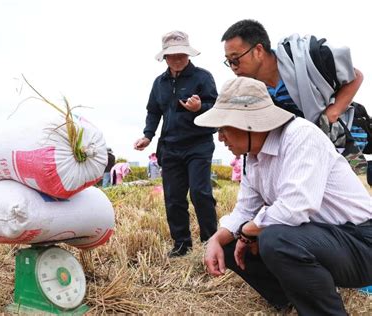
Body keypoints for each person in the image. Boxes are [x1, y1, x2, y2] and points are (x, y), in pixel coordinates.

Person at [194, 77, 371, 315]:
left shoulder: (301, 136)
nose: (220, 138)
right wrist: (216, 239)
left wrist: (248, 232)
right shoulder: (252, 157)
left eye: (223, 128)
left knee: (276, 239)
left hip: (361, 241)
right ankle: (290, 299)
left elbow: (296, 206)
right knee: (230, 240)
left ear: (248, 123)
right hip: (321, 239)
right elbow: (245, 210)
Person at [134, 30, 218, 257]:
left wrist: (199, 107)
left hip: (198, 144)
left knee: (200, 193)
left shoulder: (203, 77)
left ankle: (211, 241)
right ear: (165, 58)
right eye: (172, 55)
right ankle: (182, 244)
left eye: (181, 54)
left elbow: (216, 109)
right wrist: (147, 136)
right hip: (170, 146)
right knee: (173, 197)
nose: (177, 59)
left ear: (188, 54)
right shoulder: (159, 83)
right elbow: (153, 111)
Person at [221, 19, 363, 128]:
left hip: (348, 140)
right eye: (229, 61)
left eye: (235, 59)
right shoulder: (256, 91)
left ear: (258, 50)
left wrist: (334, 111)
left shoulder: (304, 59)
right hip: (311, 150)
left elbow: (355, 76)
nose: (233, 67)